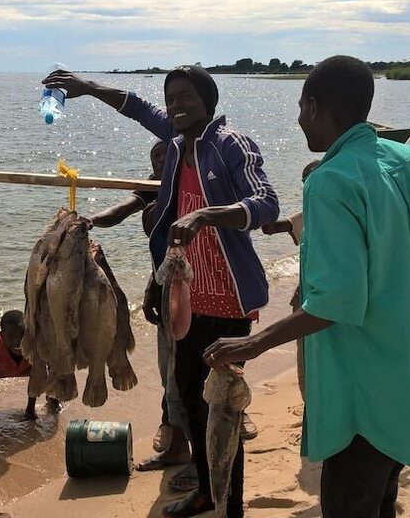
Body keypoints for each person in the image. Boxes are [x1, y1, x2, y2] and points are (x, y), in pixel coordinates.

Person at [204, 56, 410, 518]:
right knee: (383, 496)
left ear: (314, 106)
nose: (297, 119)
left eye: (300, 106)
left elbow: (335, 302)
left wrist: (253, 343)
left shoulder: (330, 181)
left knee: (351, 502)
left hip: (364, 392)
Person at [44, 66, 279, 518]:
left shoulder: (231, 144)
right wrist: (90, 88)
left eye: (186, 96)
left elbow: (266, 202)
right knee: (188, 399)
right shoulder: (175, 145)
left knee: (223, 409)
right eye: (171, 97)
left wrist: (206, 216)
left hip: (227, 298)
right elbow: (137, 108)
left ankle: (232, 505)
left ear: (207, 101)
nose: (176, 104)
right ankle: (208, 491)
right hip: (185, 294)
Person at [91, 140, 196, 481]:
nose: (162, 160)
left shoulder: (192, 186)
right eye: (155, 156)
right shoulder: (151, 190)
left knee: (191, 371)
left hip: (198, 289)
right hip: (166, 288)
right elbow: (120, 210)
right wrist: (88, 221)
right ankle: (178, 441)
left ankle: (201, 445)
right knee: (171, 369)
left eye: (167, 154)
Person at [261, 159, 321, 399]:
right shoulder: (307, 213)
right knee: (305, 359)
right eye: (306, 183)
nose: (310, 187)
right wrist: (259, 205)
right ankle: (309, 402)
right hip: (306, 298)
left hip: (326, 299)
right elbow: (273, 227)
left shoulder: (335, 211)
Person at [0, 310, 59, 424]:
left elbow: (39, 374)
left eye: (22, 335)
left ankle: (52, 400)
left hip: (26, 368)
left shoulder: (35, 343)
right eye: (11, 336)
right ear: (2, 336)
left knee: (53, 371)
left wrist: (30, 409)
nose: (17, 341)